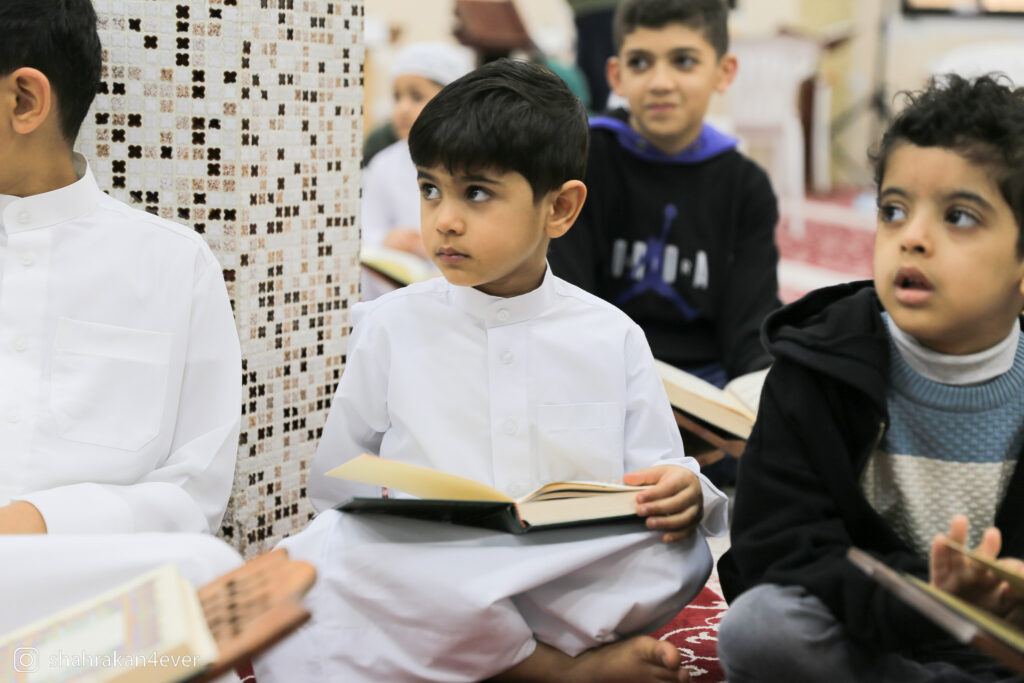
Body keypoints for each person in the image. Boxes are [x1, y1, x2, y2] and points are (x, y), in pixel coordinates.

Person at [253, 58, 727, 683]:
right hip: (434, 570)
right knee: (328, 553)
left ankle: (478, 653)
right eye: (430, 190)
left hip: (565, 572)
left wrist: (685, 489)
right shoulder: (388, 325)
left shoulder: (611, 336)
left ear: (560, 209)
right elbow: (339, 483)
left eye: (476, 193)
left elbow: (659, 470)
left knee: (676, 553)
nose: (444, 219)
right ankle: (554, 671)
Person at [716, 74, 1024, 682]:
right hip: (866, 636)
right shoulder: (818, 364)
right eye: (894, 211)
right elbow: (773, 551)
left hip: (1001, 652)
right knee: (760, 629)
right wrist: (927, 597)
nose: (913, 238)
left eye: (959, 216)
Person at [0, 0, 241, 536]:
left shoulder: (175, 266)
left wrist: (39, 522)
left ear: (24, 101)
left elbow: (196, 491)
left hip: (103, 583)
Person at [548, 0, 780, 391]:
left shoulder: (747, 185)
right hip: (601, 366)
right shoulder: (583, 161)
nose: (660, 82)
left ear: (723, 73)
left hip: (706, 377)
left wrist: (756, 391)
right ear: (616, 76)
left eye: (683, 61)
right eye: (640, 62)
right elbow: (566, 299)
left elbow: (750, 323)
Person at [361, 42, 475, 258]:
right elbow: (366, 228)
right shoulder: (384, 164)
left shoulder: (475, 160)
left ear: (453, 101)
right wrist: (386, 239)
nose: (402, 108)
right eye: (397, 97)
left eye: (416, 96)